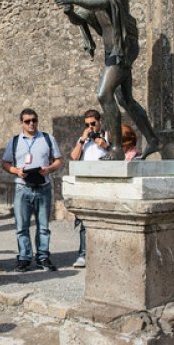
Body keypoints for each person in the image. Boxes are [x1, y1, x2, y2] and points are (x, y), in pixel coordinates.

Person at [53, 0, 162, 160]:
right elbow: (82, 18)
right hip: (111, 49)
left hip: (123, 47)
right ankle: (154, 140)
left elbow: (104, 2)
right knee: (125, 99)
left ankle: (116, 149)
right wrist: (70, 13)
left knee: (104, 94)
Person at [1, 109, 64, 272]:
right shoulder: (14, 141)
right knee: (22, 225)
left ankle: (43, 257)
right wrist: (17, 171)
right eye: (27, 121)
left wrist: (49, 169)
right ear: (21, 122)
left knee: (43, 226)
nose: (31, 124)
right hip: (23, 187)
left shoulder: (48, 139)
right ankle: (24, 257)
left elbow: (58, 160)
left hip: (43, 186)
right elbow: (5, 163)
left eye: (34, 120)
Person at [69, 109, 111, 268]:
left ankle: (105, 254)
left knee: (106, 220)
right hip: (87, 186)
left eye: (93, 123)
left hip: (104, 185)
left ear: (100, 122)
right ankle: (83, 255)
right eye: (87, 124)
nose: (91, 127)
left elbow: (117, 155)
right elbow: (73, 157)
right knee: (84, 221)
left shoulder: (107, 135)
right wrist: (82, 139)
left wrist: (106, 145)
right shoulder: (84, 140)